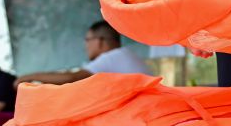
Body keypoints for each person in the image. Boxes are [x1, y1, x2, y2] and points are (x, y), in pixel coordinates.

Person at [14, 20, 151, 87]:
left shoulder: (112, 57)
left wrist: (30, 77)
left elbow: (71, 78)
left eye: (87, 40)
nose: (86, 46)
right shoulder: (125, 54)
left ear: (99, 41)